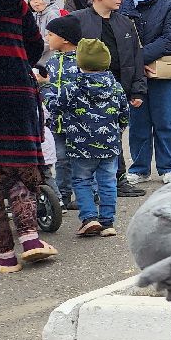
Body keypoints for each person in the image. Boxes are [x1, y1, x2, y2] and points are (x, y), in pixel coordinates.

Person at [0, 0, 57, 272]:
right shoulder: (17, 4)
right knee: (17, 173)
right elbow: (34, 47)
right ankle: (30, 238)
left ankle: (5, 255)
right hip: (16, 93)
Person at [39, 19, 125, 238]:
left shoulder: (73, 85)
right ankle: (108, 222)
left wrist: (46, 89)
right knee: (107, 181)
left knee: (82, 180)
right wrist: (117, 131)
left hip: (80, 144)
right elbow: (124, 114)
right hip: (109, 144)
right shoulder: (115, 86)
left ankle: (89, 218)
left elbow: (56, 106)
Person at [72, 0, 147, 199]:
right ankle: (87, 186)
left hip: (118, 89)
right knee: (87, 136)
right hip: (84, 90)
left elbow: (136, 58)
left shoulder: (125, 22)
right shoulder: (78, 20)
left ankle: (118, 179)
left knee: (113, 134)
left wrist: (138, 89)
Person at [120, 0, 171, 185]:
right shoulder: (121, 4)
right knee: (138, 123)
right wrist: (135, 65)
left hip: (162, 70)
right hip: (132, 73)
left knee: (165, 121)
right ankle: (139, 168)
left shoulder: (168, 4)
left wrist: (140, 57)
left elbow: (170, 38)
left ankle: (169, 167)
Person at [26, 0, 61, 70]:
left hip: (48, 57)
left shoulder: (52, 15)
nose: (35, 2)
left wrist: (35, 50)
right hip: (36, 56)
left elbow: (50, 39)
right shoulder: (33, 15)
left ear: (45, 0)